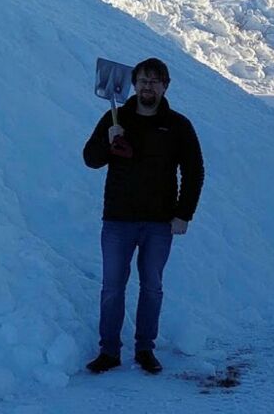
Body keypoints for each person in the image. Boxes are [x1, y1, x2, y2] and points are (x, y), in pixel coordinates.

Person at [82, 57, 204, 374]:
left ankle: (145, 349)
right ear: (133, 84)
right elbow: (90, 159)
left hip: (159, 222)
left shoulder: (178, 126)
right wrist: (108, 142)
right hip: (118, 221)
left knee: (152, 287)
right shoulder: (115, 117)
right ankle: (109, 351)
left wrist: (183, 214)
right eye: (143, 80)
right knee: (112, 287)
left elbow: (194, 172)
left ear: (165, 86)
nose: (148, 86)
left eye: (155, 81)